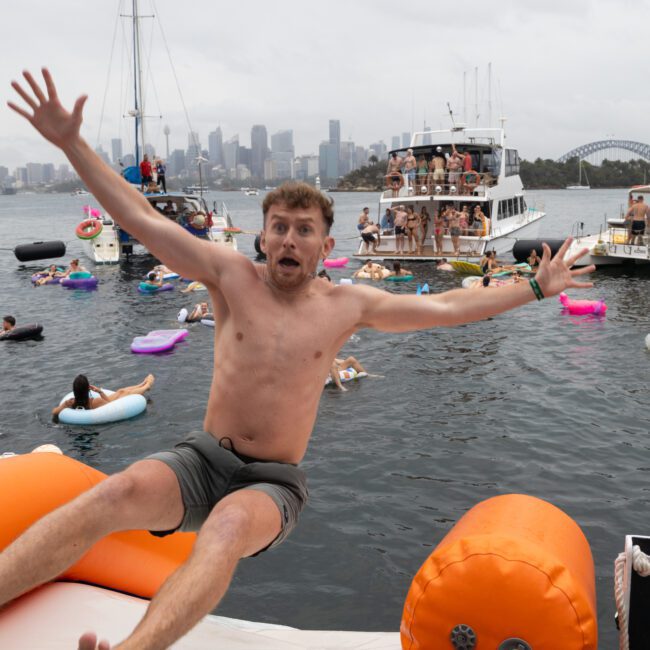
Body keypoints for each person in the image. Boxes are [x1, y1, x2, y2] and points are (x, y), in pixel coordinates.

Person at [5, 68, 594, 650]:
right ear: (261, 237)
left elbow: (444, 307)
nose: (289, 239)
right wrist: (70, 142)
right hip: (201, 458)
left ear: (325, 245)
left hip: (272, 481)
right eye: (279, 228)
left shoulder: (345, 306)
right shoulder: (228, 275)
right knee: (111, 494)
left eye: (303, 230)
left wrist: (534, 289)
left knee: (226, 529)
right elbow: (139, 217)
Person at [52, 374, 155, 423]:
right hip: (109, 404)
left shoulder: (71, 402)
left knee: (120, 391)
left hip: (91, 408)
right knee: (123, 392)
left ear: (75, 390)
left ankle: (141, 384)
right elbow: (111, 404)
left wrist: (64, 405)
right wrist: (99, 392)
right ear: (87, 388)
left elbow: (55, 412)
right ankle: (146, 386)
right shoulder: (95, 401)